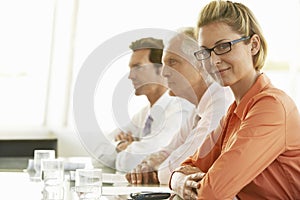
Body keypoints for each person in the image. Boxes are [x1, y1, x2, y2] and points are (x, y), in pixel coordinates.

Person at [169, 1, 300, 199]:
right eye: (205, 52)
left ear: (253, 45)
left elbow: (212, 192)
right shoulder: (234, 112)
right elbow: (187, 166)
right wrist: (178, 181)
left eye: (223, 46)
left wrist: (190, 182)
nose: (213, 61)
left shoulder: (271, 107)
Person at [125, 27, 233, 185]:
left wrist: (157, 172)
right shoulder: (199, 108)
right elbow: (167, 151)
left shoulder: (221, 104)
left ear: (201, 64)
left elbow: (181, 166)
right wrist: (147, 166)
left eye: (172, 62)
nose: (164, 73)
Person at [98, 37, 195, 172]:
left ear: (162, 69)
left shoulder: (180, 110)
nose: (130, 76)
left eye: (137, 67)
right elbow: (99, 152)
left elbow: (135, 162)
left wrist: (130, 148)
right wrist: (121, 145)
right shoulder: (144, 113)